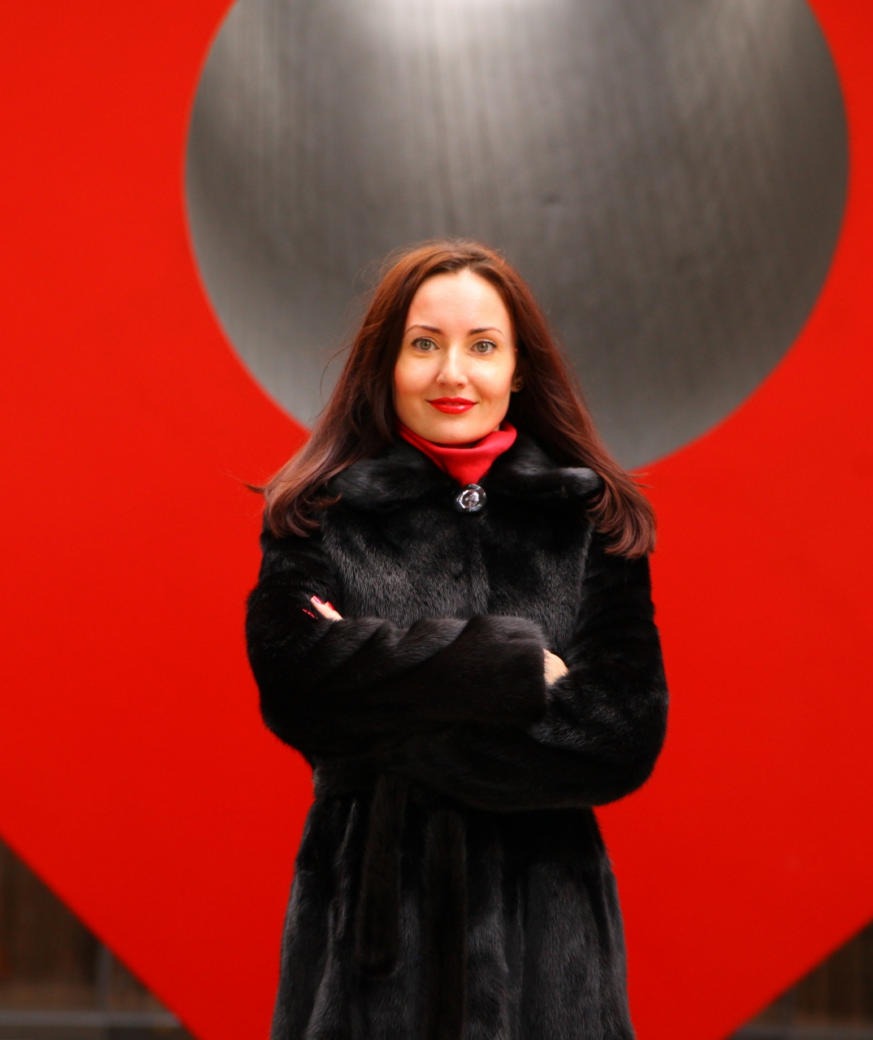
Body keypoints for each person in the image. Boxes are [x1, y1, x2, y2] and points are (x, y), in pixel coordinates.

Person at [245, 239, 667, 1040]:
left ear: (518, 369)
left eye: (482, 347)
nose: (453, 375)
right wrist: (509, 670)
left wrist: (381, 694)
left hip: (550, 951)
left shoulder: (590, 522)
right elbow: (296, 685)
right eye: (424, 345)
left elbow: (621, 732)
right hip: (368, 955)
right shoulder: (320, 515)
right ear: (385, 364)